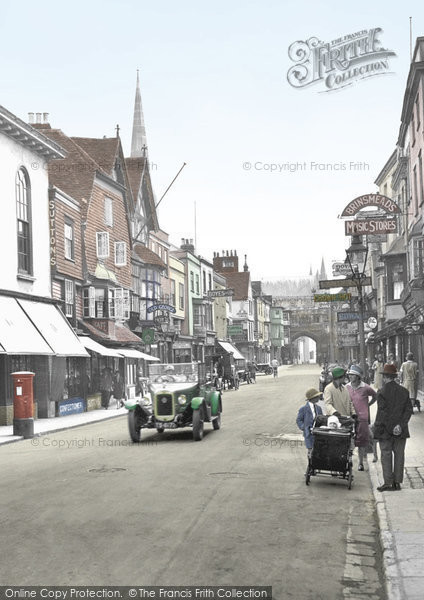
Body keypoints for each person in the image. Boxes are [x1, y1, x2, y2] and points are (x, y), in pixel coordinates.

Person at [373, 363, 413, 492]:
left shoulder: (382, 392)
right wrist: (400, 426)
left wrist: (387, 428)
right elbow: (408, 411)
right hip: (401, 431)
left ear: (385, 377)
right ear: (394, 377)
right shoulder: (404, 391)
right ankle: (397, 482)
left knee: (386, 455)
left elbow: (382, 413)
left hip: (385, 431)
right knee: (399, 455)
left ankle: (388, 483)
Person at [346, 364, 377, 471]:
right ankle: (348, 461)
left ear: (358, 376)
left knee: (361, 441)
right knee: (348, 439)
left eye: (353, 375)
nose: (350, 377)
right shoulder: (347, 387)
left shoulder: (365, 387)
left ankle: (360, 463)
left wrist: (368, 405)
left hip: (362, 418)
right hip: (350, 417)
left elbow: (375, 396)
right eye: (350, 375)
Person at [296, 388, 323, 458]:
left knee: (318, 451)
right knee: (310, 450)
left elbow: (322, 419)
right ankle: (310, 466)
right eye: (317, 396)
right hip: (308, 434)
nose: (318, 398)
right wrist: (304, 427)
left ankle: (316, 466)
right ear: (312, 398)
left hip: (318, 433)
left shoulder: (319, 408)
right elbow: (299, 420)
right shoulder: (303, 409)